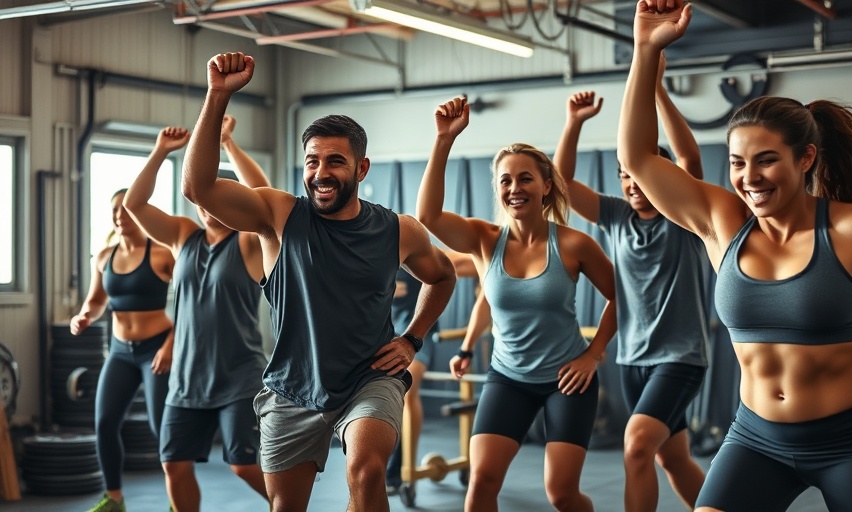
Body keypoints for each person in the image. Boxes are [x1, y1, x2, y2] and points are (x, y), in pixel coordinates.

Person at [617, 2, 852, 511]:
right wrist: (644, 49)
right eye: (739, 163)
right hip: (755, 438)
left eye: (767, 160)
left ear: (805, 157)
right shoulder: (723, 222)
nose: (750, 177)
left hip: (849, 441)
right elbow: (636, 157)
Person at [181, 52, 457, 512]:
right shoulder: (278, 215)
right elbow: (199, 188)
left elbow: (443, 276)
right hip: (292, 386)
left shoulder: (399, 230)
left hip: (370, 378)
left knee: (367, 472)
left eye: (335, 161)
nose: (321, 173)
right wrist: (217, 95)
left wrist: (412, 339)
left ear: (361, 169)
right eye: (312, 161)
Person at [417, 96, 618, 512]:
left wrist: (593, 356)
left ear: (546, 186)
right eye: (505, 181)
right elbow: (429, 216)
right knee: (481, 488)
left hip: (567, 380)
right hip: (508, 379)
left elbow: (621, 298)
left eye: (525, 179)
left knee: (561, 495)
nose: (514, 188)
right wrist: (443, 141)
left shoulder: (576, 244)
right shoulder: (484, 239)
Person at [554, 59, 709, 511]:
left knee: (636, 445)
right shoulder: (617, 217)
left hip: (680, 356)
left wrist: (657, 90)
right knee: (671, 459)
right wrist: (573, 124)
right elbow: (561, 184)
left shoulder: (684, 217)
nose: (632, 181)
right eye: (624, 174)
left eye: (639, 172)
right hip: (633, 358)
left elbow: (691, 160)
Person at [122, 119, 269, 512]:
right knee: (173, 463)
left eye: (212, 200)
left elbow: (264, 194)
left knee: (243, 466)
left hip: (238, 376)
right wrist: (159, 153)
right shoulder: (184, 236)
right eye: (199, 201)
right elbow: (133, 205)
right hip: (187, 380)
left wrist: (228, 144)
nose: (204, 209)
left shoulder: (249, 242)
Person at [70, 189, 175, 512]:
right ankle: (114, 499)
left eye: (127, 209)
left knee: (162, 429)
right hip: (120, 352)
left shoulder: (162, 253)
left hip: (156, 349)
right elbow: (97, 300)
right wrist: (84, 315)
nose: (120, 215)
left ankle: (177, 500)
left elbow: (189, 303)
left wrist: (171, 346)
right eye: (115, 209)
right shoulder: (104, 256)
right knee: (105, 422)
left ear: (140, 213)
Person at [385, 252, 477, 494]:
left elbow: (478, 263)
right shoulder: (365, 254)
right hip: (382, 334)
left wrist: (483, 293)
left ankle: (401, 470)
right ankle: (388, 466)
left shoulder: (420, 252)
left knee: (406, 385)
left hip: (416, 335)